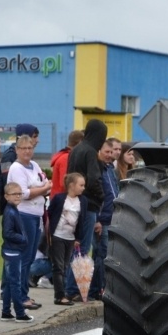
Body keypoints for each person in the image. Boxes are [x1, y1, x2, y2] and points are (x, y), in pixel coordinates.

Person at [6, 134, 51, 310]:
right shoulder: (16, 168)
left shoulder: (35, 165)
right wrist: (41, 189)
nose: (27, 151)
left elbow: (46, 184)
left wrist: (38, 189)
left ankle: (24, 293)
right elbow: (23, 193)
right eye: (23, 148)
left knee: (30, 257)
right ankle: (18, 296)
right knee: (23, 258)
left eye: (30, 147)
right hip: (23, 215)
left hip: (36, 214)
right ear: (17, 150)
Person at [64, 119, 106, 302]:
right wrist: (102, 196)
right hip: (89, 204)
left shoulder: (76, 150)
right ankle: (75, 289)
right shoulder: (90, 152)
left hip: (75, 201)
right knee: (83, 248)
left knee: (75, 246)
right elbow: (94, 178)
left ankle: (70, 287)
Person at [47, 172, 88, 306]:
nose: (83, 188)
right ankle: (59, 296)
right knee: (58, 266)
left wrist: (78, 238)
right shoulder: (59, 199)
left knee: (65, 266)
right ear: (71, 185)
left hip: (70, 238)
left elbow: (82, 221)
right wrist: (50, 234)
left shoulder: (83, 201)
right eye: (81, 185)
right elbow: (50, 213)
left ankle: (63, 292)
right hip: (58, 236)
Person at [0, 182, 34, 323]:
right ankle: (20, 313)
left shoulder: (13, 210)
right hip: (12, 251)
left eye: (19, 193)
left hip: (13, 250)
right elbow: (7, 233)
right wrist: (23, 239)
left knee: (9, 283)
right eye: (14, 194)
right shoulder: (10, 212)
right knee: (15, 283)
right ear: (6, 196)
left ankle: (6, 312)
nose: (18, 196)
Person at [89, 141, 119, 300]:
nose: (109, 154)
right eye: (106, 151)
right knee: (101, 256)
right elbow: (96, 195)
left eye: (111, 151)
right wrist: (98, 220)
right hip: (102, 220)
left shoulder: (110, 169)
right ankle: (97, 290)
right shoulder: (97, 169)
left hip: (112, 218)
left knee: (105, 255)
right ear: (99, 151)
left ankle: (99, 288)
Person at [0, 124, 39, 214]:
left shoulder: (29, 159)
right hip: (14, 206)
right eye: (34, 136)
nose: (37, 140)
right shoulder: (9, 156)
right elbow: (7, 181)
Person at [50, 129, 83, 197]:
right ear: (80, 143)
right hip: (61, 200)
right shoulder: (66, 158)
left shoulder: (64, 155)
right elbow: (64, 183)